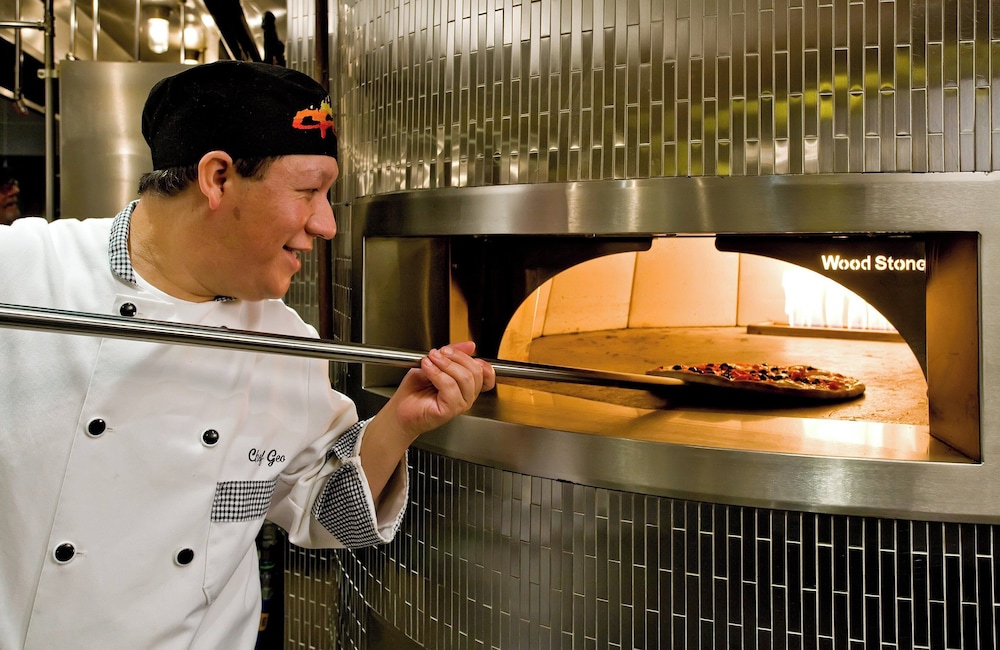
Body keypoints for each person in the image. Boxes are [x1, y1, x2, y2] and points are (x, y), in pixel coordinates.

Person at [0, 61, 495, 649]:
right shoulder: (21, 275)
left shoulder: (284, 345)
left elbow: (324, 511)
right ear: (217, 178)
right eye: (309, 192)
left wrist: (401, 422)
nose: (327, 224)